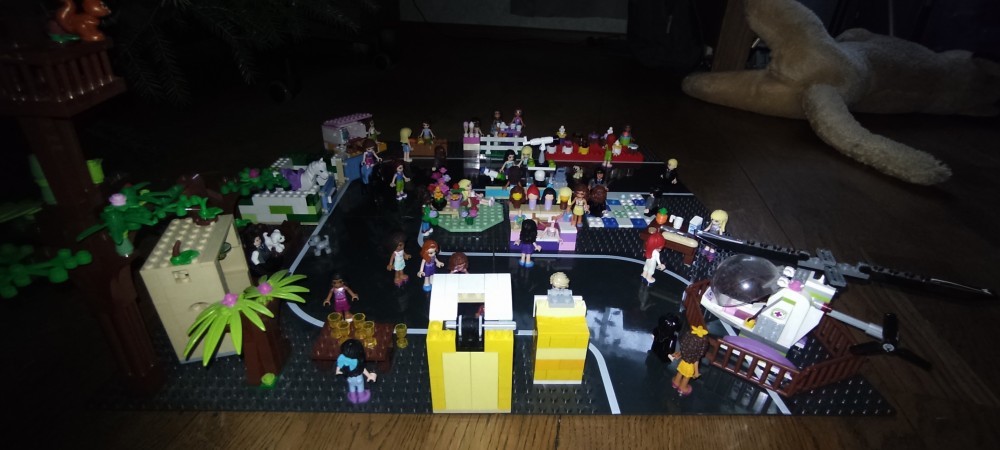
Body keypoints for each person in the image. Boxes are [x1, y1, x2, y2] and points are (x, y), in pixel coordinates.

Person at [671, 325, 709, 396]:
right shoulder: (695, 358)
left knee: (679, 373)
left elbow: (680, 352)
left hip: (682, 363)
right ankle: (682, 388)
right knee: (686, 378)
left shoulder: (684, 350)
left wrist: (676, 355)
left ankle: (675, 383)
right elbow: (696, 364)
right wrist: (696, 373)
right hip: (690, 367)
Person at [336, 339, 377, 404]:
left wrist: (338, 371)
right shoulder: (357, 361)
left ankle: (353, 398)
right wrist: (369, 375)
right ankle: (361, 397)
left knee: (351, 387)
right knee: (360, 387)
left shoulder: (342, 359)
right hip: (358, 378)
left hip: (349, 378)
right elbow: (362, 369)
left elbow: (339, 366)